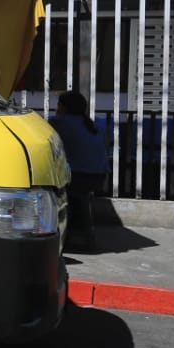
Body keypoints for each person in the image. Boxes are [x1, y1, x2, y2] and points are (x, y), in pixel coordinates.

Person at [50, 90, 109, 250]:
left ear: (63, 107)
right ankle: (83, 232)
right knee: (80, 198)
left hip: (77, 177)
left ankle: (63, 233)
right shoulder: (93, 124)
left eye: (58, 105)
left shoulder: (57, 123)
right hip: (99, 177)